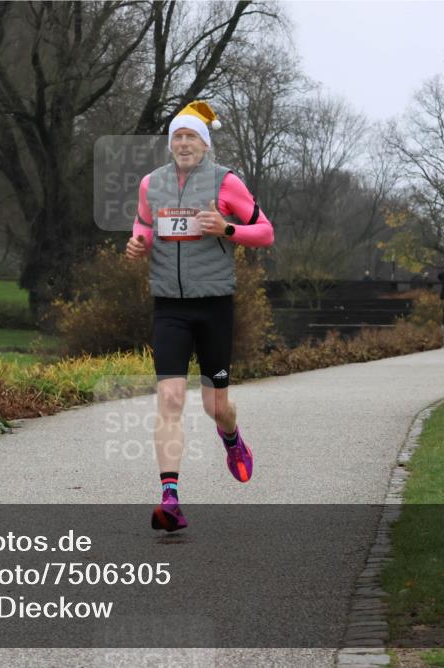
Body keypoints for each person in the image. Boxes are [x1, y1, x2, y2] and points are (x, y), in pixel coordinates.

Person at [125, 100, 274, 532]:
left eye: (191, 136)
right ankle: (169, 496)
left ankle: (232, 438)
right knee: (170, 399)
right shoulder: (151, 184)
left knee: (216, 406)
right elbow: (143, 225)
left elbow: (265, 232)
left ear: (205, 145)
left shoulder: (226, 183)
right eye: (177, 136)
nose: (184, 143)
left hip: (213, 305)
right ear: (170, 144)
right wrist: (138, 243)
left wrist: (226, 229)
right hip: (169, 305)